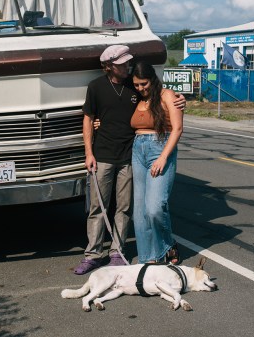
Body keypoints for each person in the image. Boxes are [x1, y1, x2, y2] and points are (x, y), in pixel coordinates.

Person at [74, 45, 185, 275]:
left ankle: (118, 253)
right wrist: (89, 152)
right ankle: (93, 254)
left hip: (129, 155)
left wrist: (181, 100)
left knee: (127, 208)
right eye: (122, 64)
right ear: (108, 66)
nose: (127, 67)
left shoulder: (134, 86)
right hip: (103, 154)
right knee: (99, 207)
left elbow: (160, 100)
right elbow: (88, 118)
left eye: (127, 63)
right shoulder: (96, 87)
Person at [129, 60, 184, 265]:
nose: (141, 88)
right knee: (140, 211)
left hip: (160, 149)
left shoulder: (167, 95)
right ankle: (148, 259)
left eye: (144, 84)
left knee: (155, 207)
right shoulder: (136, 98)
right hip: (138, 150)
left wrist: (163, 157)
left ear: (152, 79)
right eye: (137, 84)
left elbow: (177, 128)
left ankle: (168, 246)